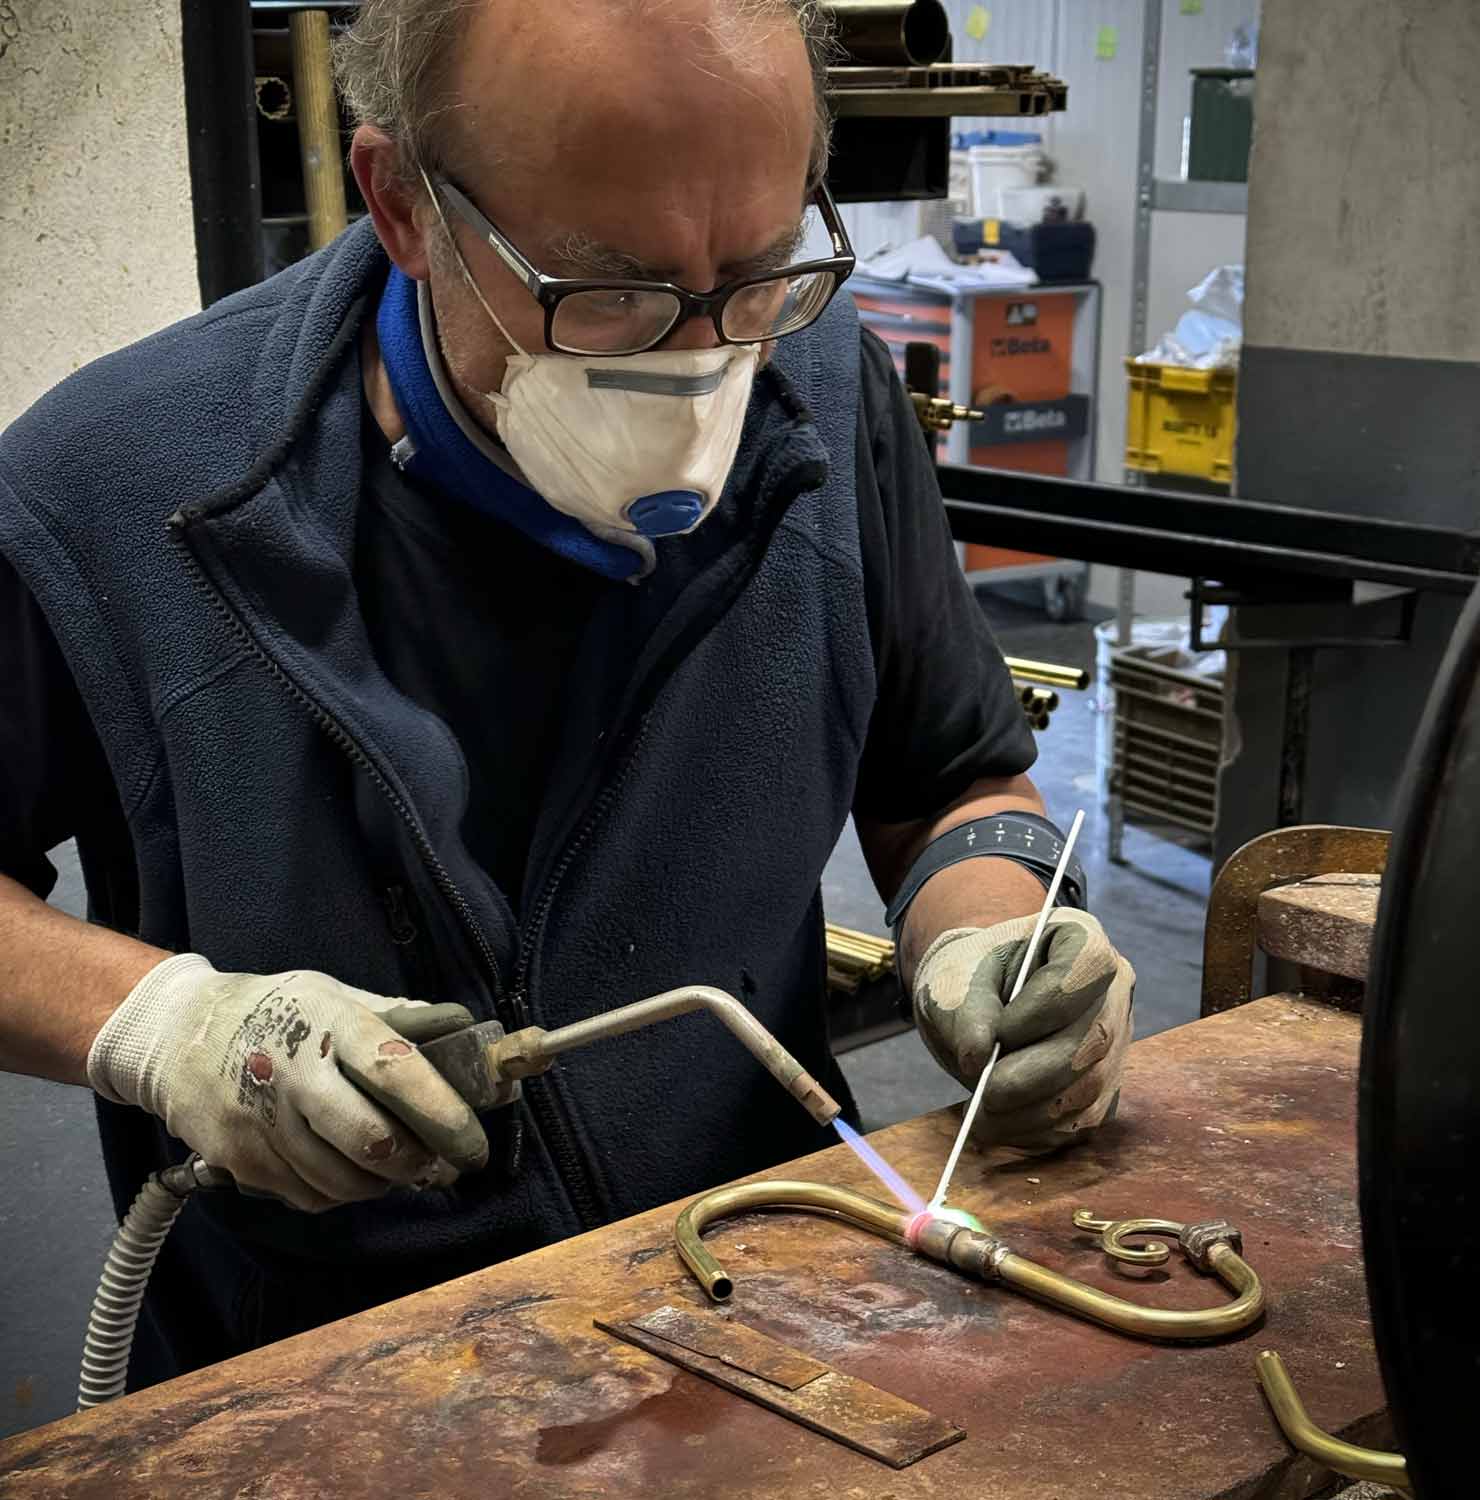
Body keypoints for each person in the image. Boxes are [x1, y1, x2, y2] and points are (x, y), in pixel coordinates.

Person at [0, 0, 1132, 1388]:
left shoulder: (825, 394)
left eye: (759, 268)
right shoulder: (120, 491)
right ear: (402, 205)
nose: (701, 359)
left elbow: (951, 776)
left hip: (764, 1310)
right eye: (609, 288)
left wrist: (989, 940)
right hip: (325, 1380)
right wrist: (173, 1027)